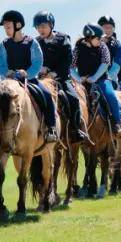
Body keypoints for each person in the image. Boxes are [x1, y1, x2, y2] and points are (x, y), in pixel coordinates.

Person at [0, 10, 58, 145]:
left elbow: (38, 62)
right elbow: (0, 64)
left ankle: (51, 127)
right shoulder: (4, 44)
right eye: (5, 28)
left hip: (29, 80)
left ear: (18, 25)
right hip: (9, 81)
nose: (6, 30)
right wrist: (6, 72)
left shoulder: (31, 42)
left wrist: (27, 73)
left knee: (46, 94)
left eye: (8, 27)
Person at [33, 10, 87, 143]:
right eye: (38, 27)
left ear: (51, 25)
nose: (41, 29)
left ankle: (75, 129)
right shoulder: (35, 42)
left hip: (61, 78)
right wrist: (40, 69)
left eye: (44, 26)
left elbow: (67, 60)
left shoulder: (63, 39)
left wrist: (54, 73)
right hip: (41, 79)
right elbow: (33, 61)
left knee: (73, 98)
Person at [69, 23, 121, 132]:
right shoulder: (77, 48)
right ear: (89, 38)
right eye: (98, 38)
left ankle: (116, 123)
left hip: (101, 79)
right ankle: (73, 127)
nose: (101, 40)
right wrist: (78, 79)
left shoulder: (102, 46)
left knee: (111, 96)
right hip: (82, 81)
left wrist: (95, 77)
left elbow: (105, 63)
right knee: (70, 97)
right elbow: (70, 67)